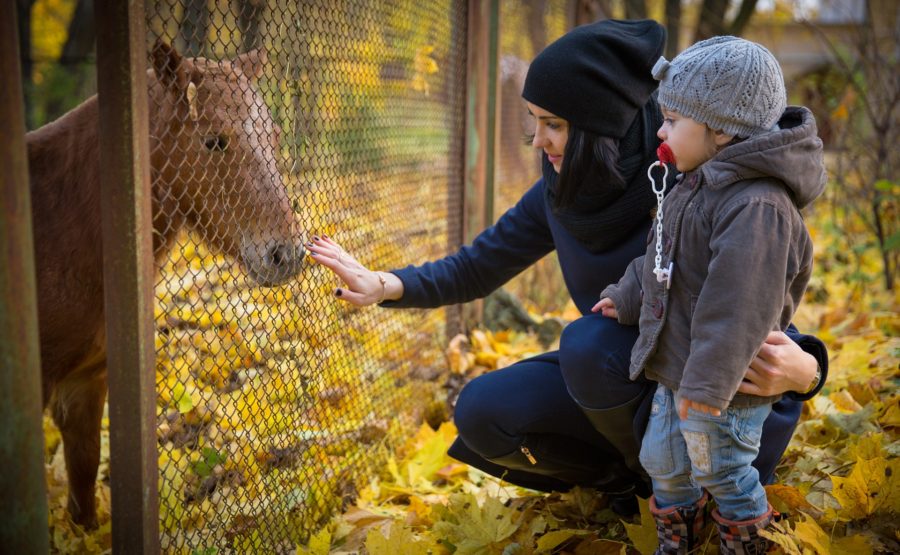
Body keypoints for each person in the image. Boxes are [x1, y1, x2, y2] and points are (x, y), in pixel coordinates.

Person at [307, 19, 827, 517]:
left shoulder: (699, 171)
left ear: (601, 125)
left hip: (722, 396)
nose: (537, 140)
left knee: (588, 343)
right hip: (630, 380)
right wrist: (382, 284)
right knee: (483, 412)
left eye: (553, 124)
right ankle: (632, 483)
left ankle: (694, 489)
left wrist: (809, 372)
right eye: (533, 120)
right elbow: (478, 265)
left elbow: (754, 299)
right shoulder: (565, 190)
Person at [595, 36, 826, 553]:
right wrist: (629, 292)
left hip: (726, 384)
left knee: (721, 465)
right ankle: (681, 534)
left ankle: (747, 536)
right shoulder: (696, 182)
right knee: (663, 460)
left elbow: (738, 307)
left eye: (673, 120)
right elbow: (662, 257)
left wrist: (707, 385)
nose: (661, 130)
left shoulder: (757, 207)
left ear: (720, 129)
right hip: (681, 371)